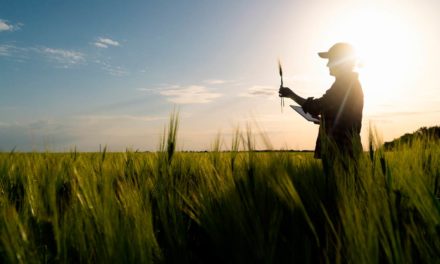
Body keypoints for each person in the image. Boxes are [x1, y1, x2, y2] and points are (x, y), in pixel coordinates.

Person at [279, 42, 363, 167]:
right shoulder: (348, 83)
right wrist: (324, 120)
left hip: (341, 149)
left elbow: (318, 106)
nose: (327, 64)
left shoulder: (345, 84)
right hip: (343, 148)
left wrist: (291, 95)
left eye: (331, 60)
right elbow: (341, 113)